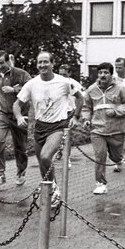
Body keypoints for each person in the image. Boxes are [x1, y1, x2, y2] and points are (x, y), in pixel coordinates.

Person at [14, 51, 83, 202]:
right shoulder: (32, 84)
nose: (42, 65)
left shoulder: (64, 82)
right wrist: (19, 116)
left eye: (46, 62)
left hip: (58, 126)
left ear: (52, 64)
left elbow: (80, 98)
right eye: (40, 62)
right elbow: (17, 104)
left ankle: (54, 189)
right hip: (40, 127)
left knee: (46, 156)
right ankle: (50, 188)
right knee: (42, 163)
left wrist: (76, 117)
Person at [81, 62, 125, 195]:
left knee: (117, 157)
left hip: (116, 130)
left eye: (106, 72)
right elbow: (86, 107)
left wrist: (116, 110)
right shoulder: (91, 89)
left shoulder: (121, 88)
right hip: (97, 130)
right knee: (99, 156)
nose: (102, 75)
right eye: (100, 73)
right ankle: (100, 183)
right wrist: (86, 119)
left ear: (111, 74)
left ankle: (119, 155)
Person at [0, 50, 31, 186]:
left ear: (8, 61)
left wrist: (14, 90)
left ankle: (21, 171)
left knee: (20, 146)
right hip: (1, 112)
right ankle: (0, 174)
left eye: (1, 63)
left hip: (18, 114)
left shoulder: (20, 73)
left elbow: (30, 88)